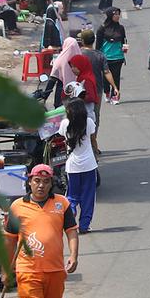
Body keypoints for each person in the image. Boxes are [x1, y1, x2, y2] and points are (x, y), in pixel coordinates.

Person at [3, 163, 79, 298]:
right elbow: (9, 241)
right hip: (28, 270)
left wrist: (74, 256)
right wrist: (6, 268)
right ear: (29, 182)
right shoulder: (17, 206)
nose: (41, 185)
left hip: (55, 271)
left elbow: (71, 232)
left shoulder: (61, 204)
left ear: (51, 183)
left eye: (46, 182)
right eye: (37, 181)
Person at [60, 98, 98, 234]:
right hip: (89, 164)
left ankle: (71, 216)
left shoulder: (65, 124)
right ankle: (84, 225)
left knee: (72, 195)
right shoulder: (89, 122)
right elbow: (93, 139)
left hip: (73, 166)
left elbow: (61, 137)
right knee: (88, 196)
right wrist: (97, 151)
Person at [97, 8, 127, 104]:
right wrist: (98, 56)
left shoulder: (121, 28)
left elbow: (124, 40)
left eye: (119, 14)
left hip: (118, 57)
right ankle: (106, 92)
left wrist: (124, 48)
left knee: (116, 77)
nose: (118, 16)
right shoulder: (102, 28)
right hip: (105, 57)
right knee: (106, 78)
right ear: (110, 16)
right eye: (115, 14)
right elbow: (98, 44)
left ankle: (115, 96)